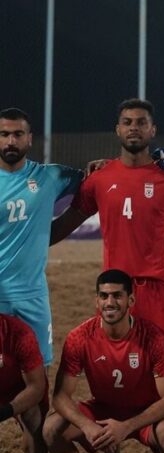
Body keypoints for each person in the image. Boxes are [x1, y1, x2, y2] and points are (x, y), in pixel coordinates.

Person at [50, 98, 164, 373]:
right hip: (113, 292)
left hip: (158, 290)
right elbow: (63, 226)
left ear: (153, 130)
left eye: (142, 123)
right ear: (117, 129)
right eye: (127, 122)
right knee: (117, 373)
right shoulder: (99, 179)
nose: (134, 128)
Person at [43, 270, 164, 453]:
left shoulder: (153, 337)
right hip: (102, 410)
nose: (110, 302)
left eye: (117, 296)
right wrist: (87, 426)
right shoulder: (80, 337)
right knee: (50, 429)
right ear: (96, 300)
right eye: (104, 296)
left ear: (131, 300)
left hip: (142, 413)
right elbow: (60, 397)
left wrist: (126, 426)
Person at [0, 107, 82, 366]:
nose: (11, 141)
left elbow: (99, 180)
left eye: (17, 134)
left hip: (34, 296)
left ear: (30, 138)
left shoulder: (51, 176)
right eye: (4, 134)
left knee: (38, 375)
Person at [0, 313, 48, 453]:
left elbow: (36, 387)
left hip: (18, 389)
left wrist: (7, 410)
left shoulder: (18, 332)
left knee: (35, 417)